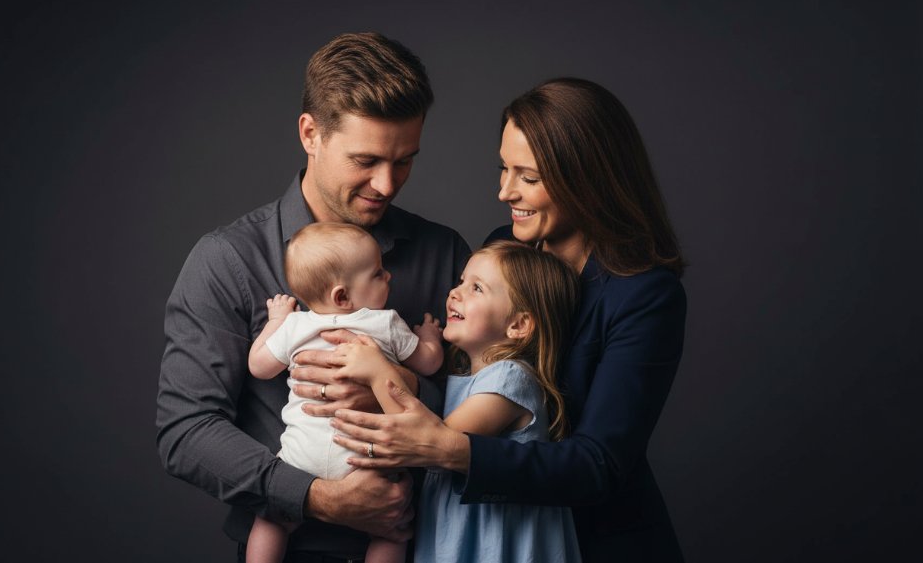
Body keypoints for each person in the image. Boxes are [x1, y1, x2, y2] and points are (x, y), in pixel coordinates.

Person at [328, 78, 688, 562]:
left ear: (588, 177)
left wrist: (448, 448)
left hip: (593, 542)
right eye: (504, 169)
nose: (504, 191)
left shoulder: (645, 295)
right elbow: (466, 369)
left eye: (529, 177)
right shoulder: (504, 246)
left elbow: (598, 464)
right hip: (478, 536)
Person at [155, 32, 471, 561]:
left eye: (405, 161)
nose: (387, 184)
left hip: (429, 544)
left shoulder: (445, 254)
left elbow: (500, 405)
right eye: (365, 160)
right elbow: (186, 431)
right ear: (310, 133)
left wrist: (402, 385)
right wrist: (317, 498)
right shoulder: (227, 259)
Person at [332, 241, 583, 562]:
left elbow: (428, 444)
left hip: (492, 542)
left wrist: (377, 372)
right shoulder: (462, 377)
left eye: (476, 288)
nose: (456, 292)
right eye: (461, 281)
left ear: (518, 325)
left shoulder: (509, 378)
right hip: (456, 531)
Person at [245, 222, 443, 563]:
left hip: (299, 457)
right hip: (362, 456)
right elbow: (429, 364)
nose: (389, 277)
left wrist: (276, 321)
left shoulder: (296, 326)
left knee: (270, 520)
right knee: (393, 529)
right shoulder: (384, 322)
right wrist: (430, 337)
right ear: (342, 295)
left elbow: (259, 366)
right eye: (378, 273)